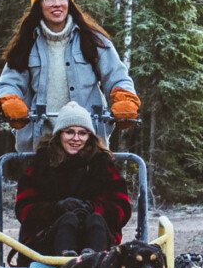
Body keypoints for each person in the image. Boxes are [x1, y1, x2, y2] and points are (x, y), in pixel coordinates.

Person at [0, 0, 138, 152]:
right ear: (39, 5)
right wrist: (9, 101)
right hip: (42, 141)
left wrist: (125, 99)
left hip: (87, 139)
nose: (57, 4)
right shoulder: (25, 44)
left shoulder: (94, 40)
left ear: (69, 3)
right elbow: (9, 83)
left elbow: (117, 76)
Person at [15, 104, 131, 256]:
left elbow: (122, 208)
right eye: (69, 132)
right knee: (68, 219)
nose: (76, 138)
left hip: (98, 235)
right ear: (59, 134)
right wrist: (56, 208)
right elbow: (24, 209)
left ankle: (92, 261)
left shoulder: (102, 164)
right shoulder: (42, 163)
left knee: (95, 219)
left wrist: (93, 208)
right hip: (49, 236)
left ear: (89, 136)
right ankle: (66, 262)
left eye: (82, 133)